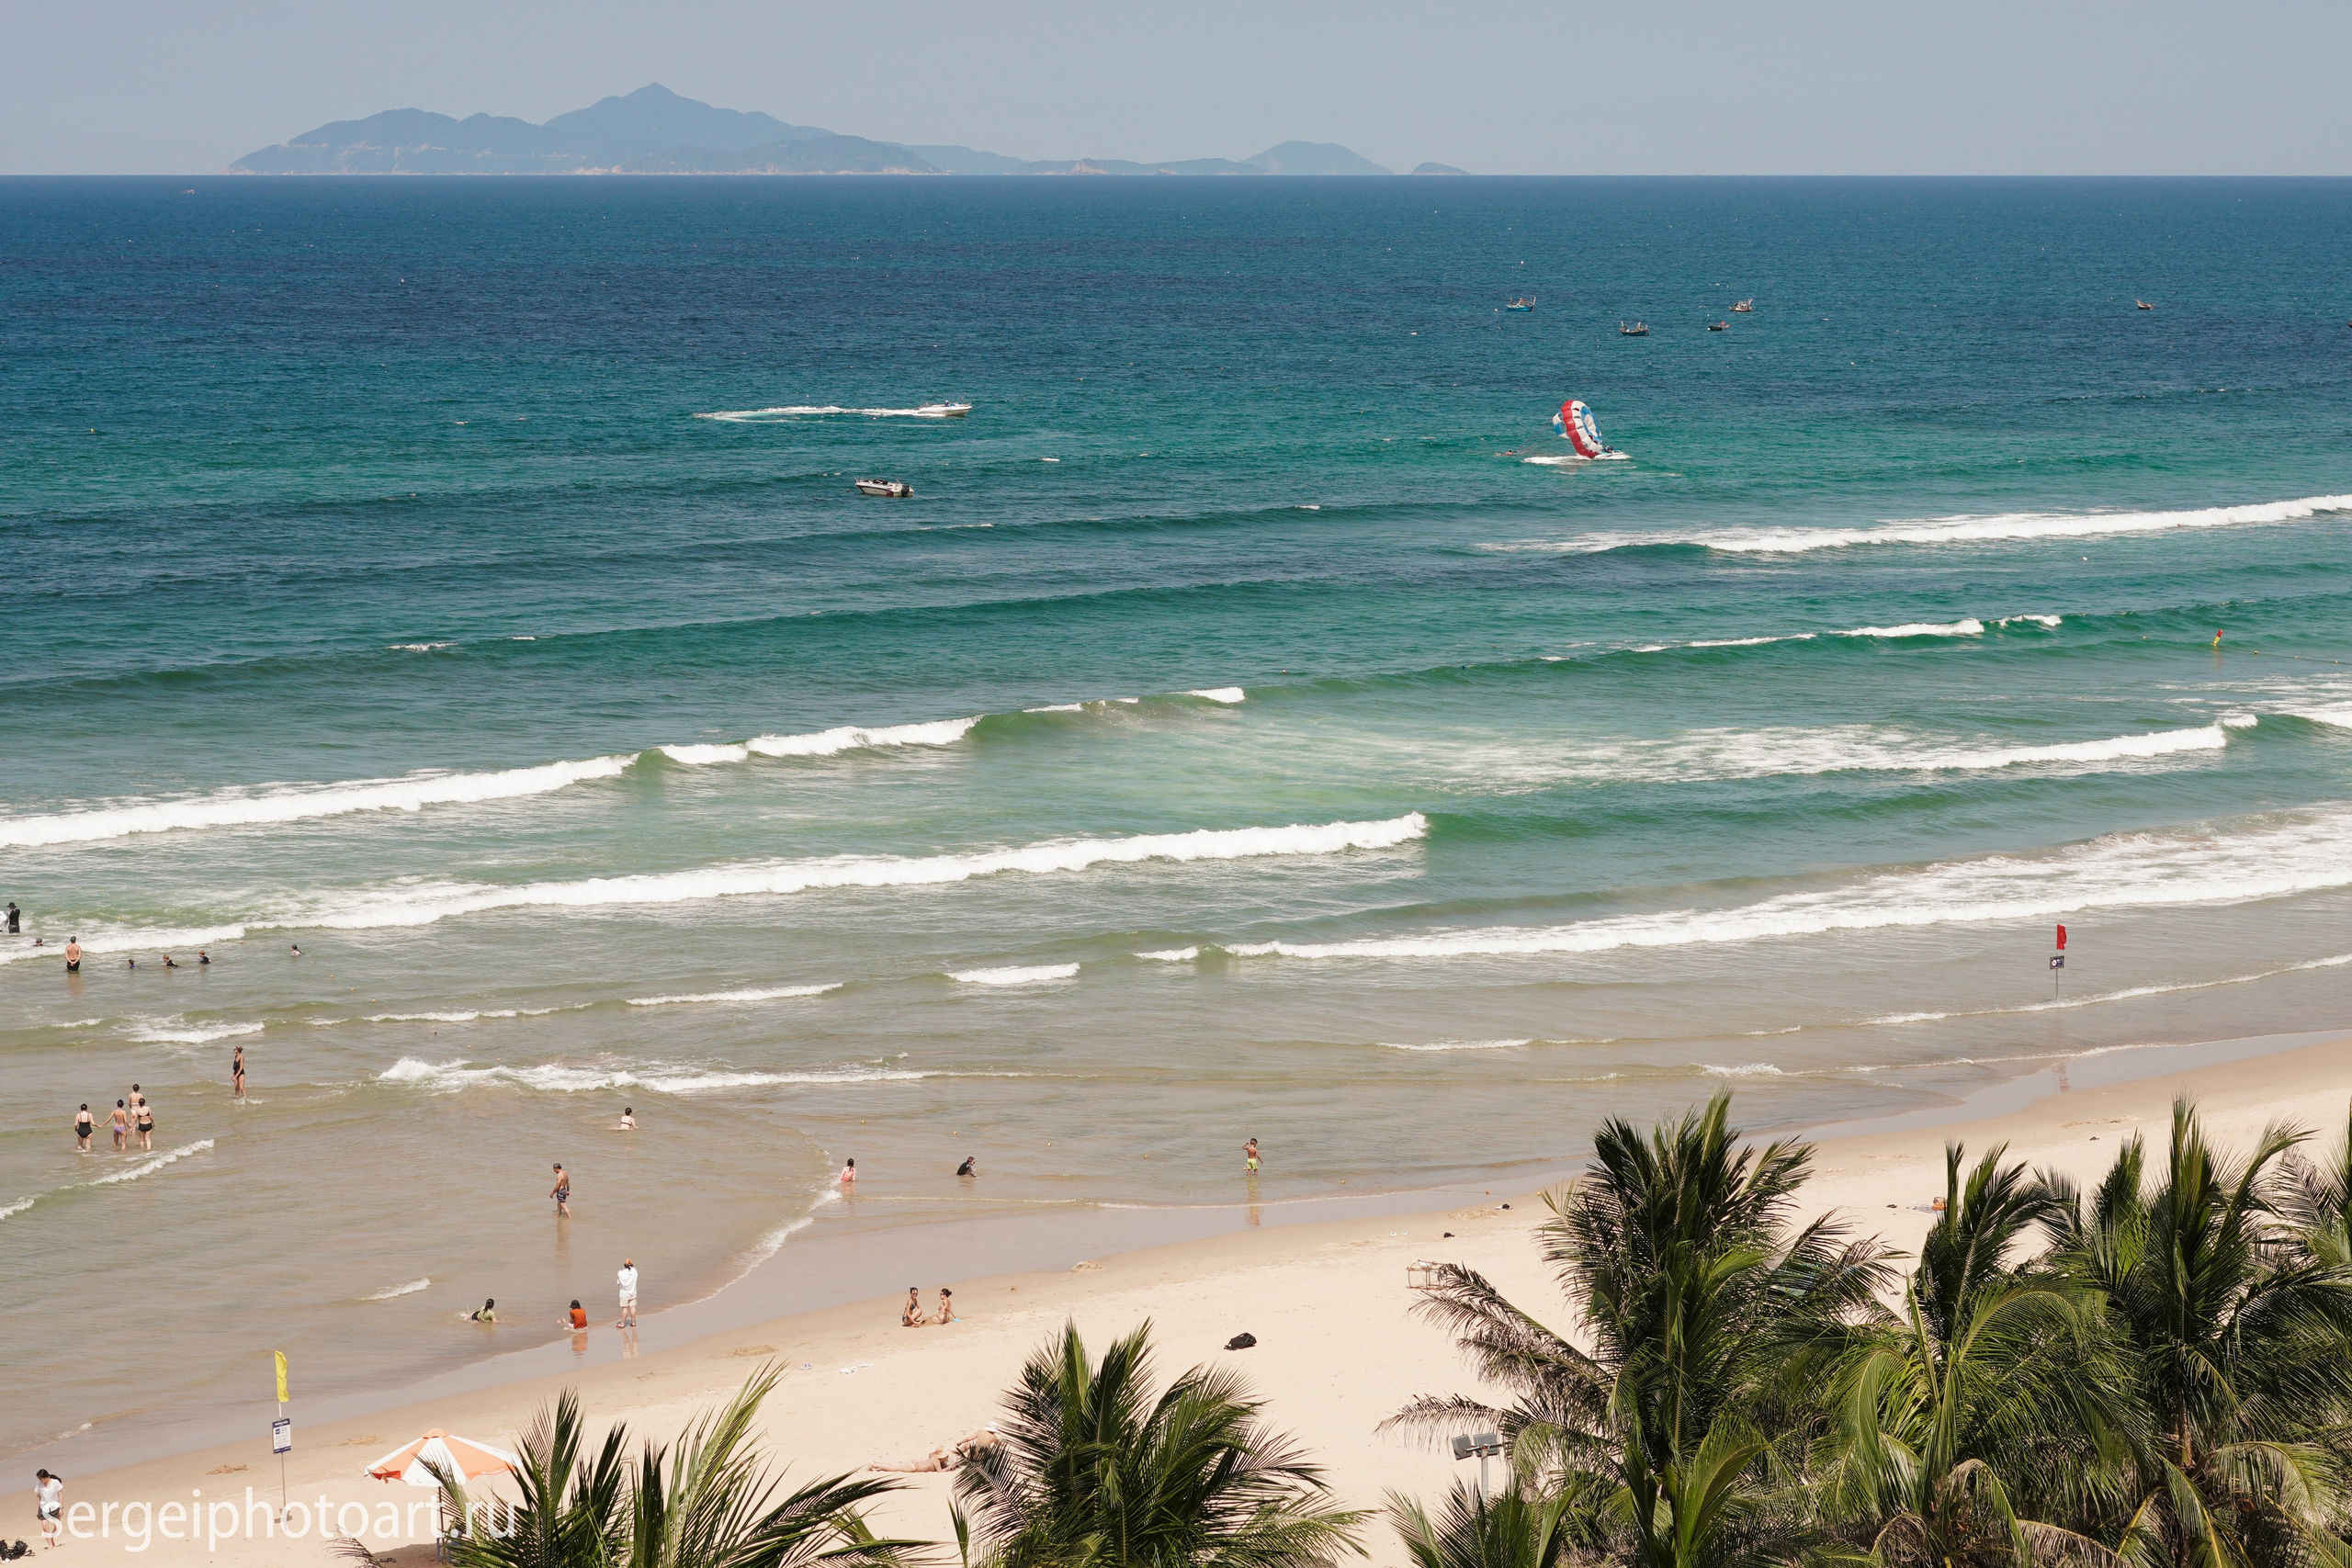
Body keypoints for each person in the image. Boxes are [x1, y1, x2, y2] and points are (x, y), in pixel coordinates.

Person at [34, 1468, 62, 1551]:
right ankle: (50, 1545)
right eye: (39, 1479)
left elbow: (60, 1495)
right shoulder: (39, 1485)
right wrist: (38, 1507)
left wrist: (61, 1508)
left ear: (45, 1476)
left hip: (55, 1507)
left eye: (41, 1478)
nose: (40, 1480)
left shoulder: (55, 1483)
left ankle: (51, 1539)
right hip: (43, 1507)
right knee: (45, 1527)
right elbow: (38, 1496)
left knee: (57, 1527)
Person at [616, 1258, 639, 1328]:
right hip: (633, 1292)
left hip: (624, 1293)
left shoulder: (621, 1273)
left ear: (624, 1265)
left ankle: (622, 1323)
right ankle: (633, 1322)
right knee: (633, 1307)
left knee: (625, 1308)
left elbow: (618, 1283)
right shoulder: (634, 1271)